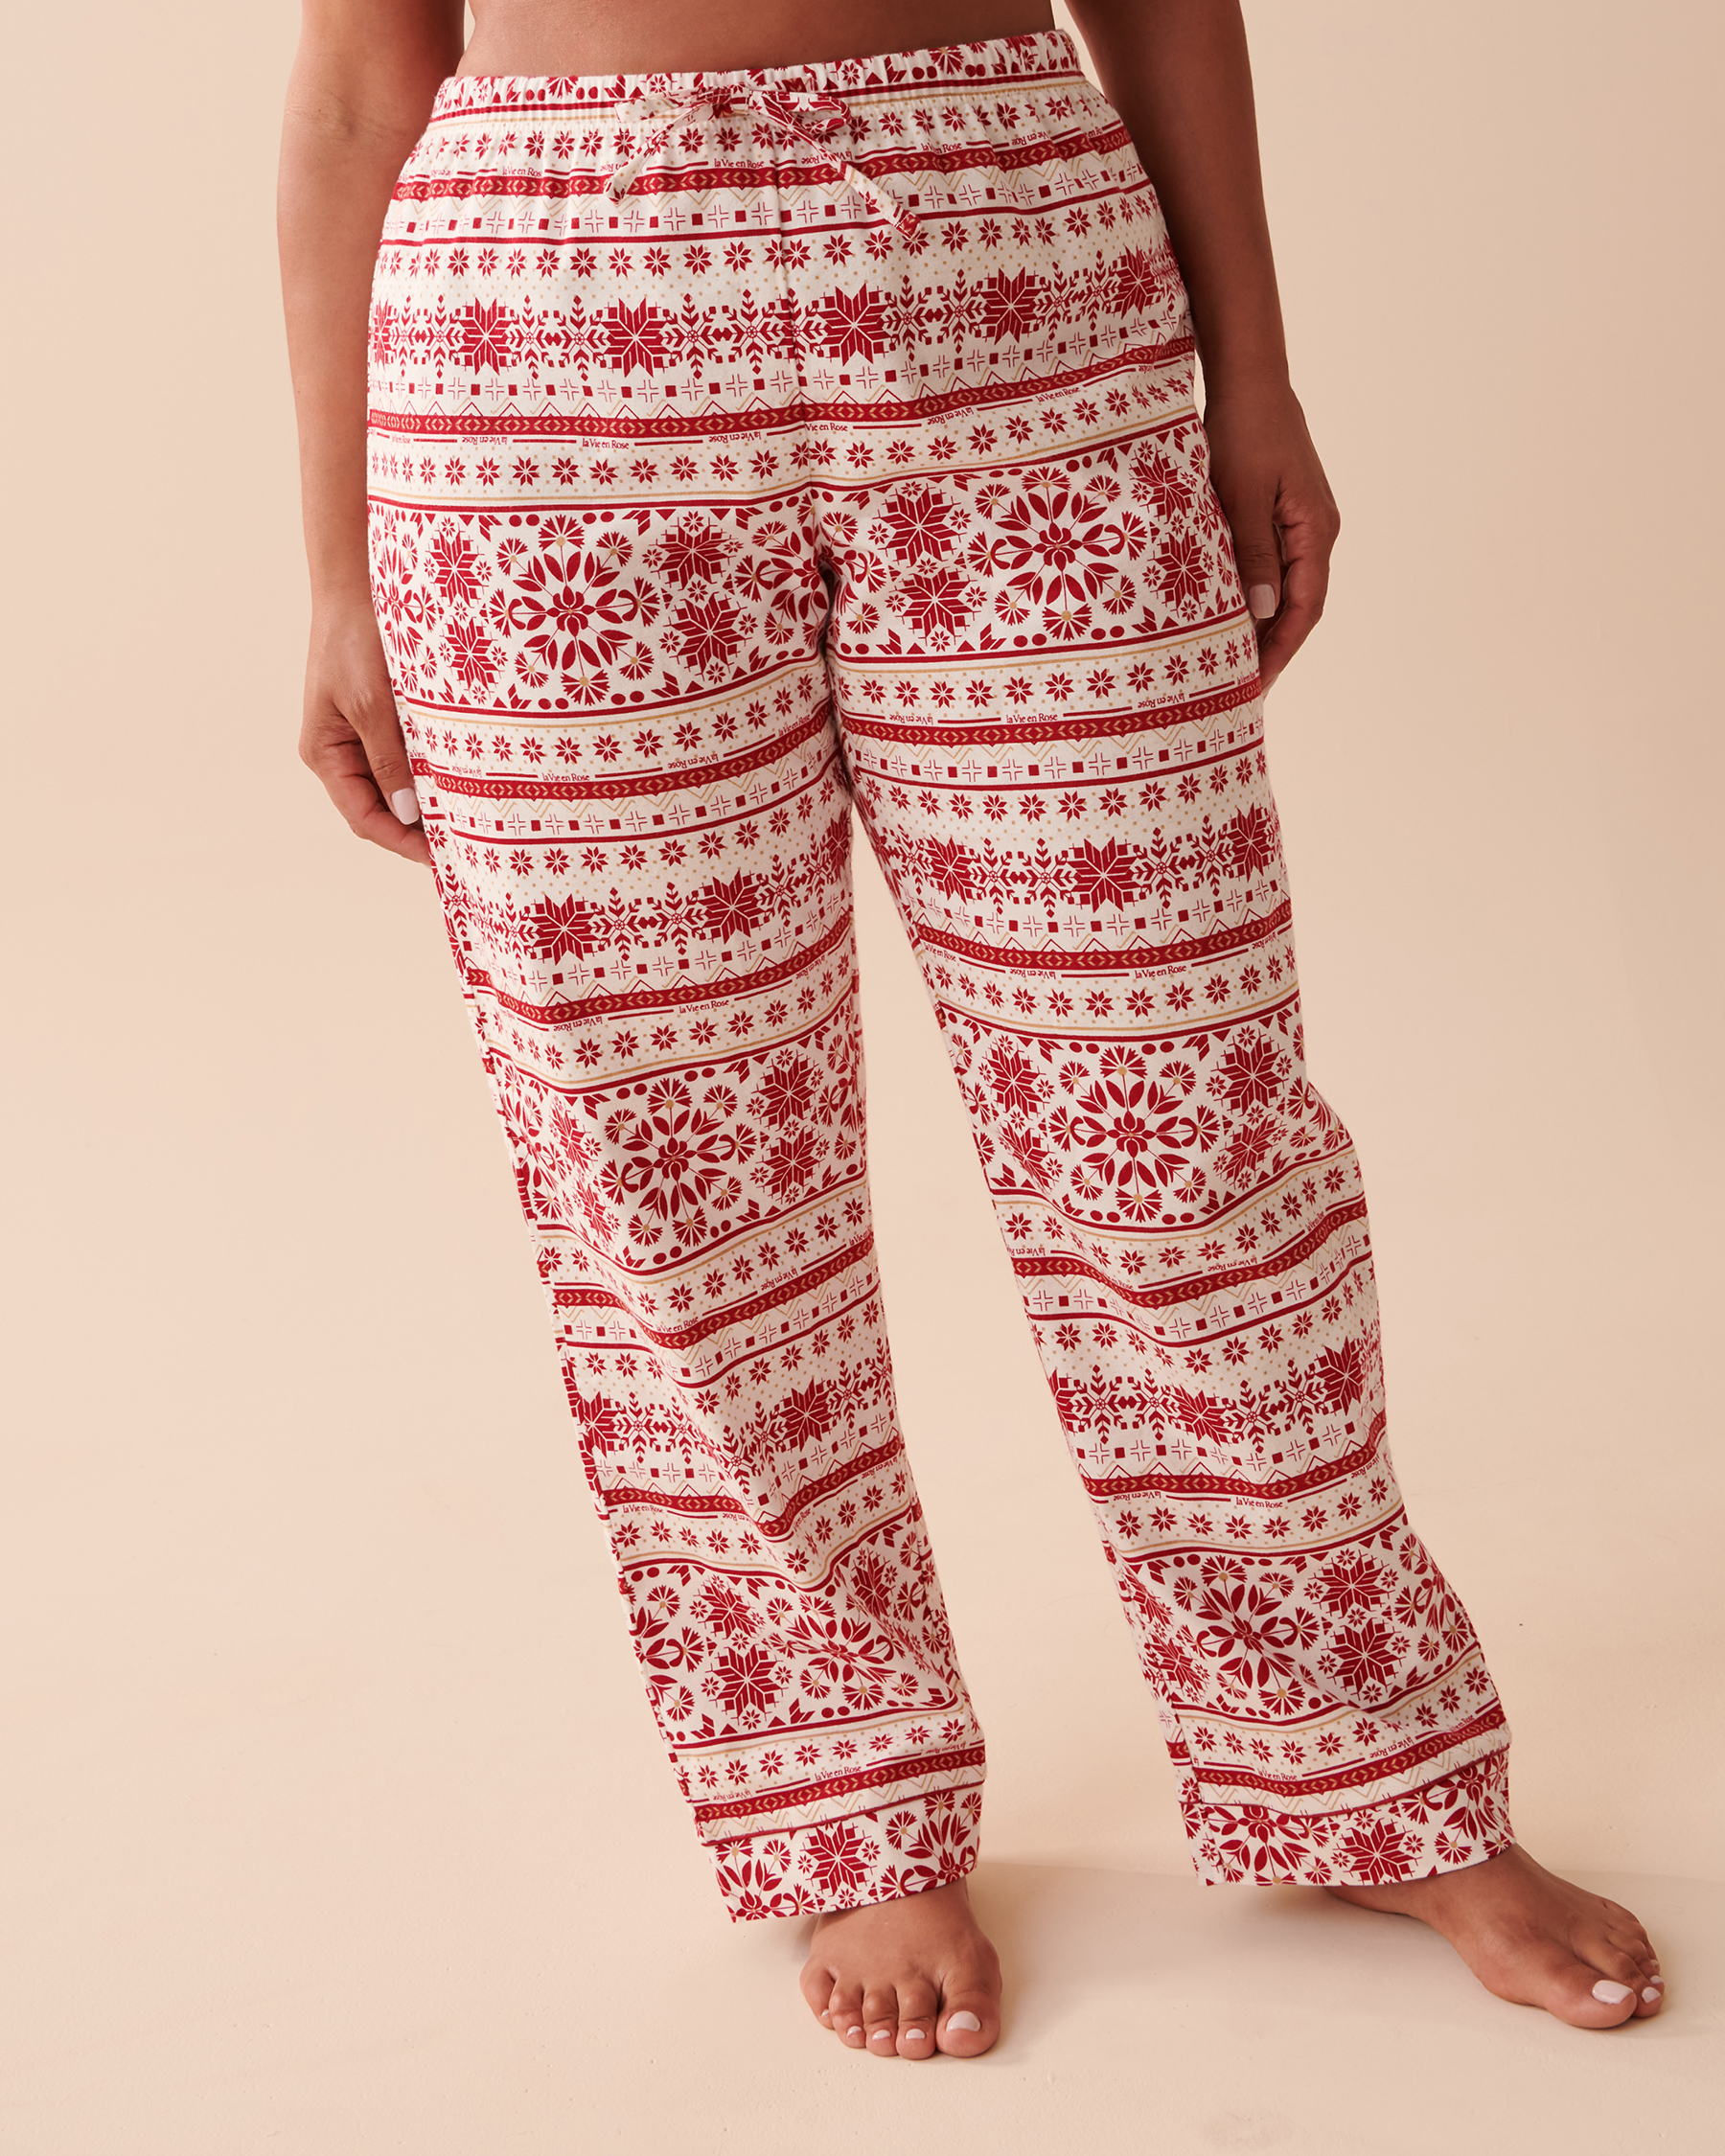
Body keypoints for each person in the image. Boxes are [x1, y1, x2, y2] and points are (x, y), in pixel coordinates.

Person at [278, 0, 1664, 2058]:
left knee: (1178, 1117)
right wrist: (336, 566)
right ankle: (844, 1800)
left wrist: (1253, 374)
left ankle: (1364, 1769)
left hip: (1017, 292)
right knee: (670, 1166)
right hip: (538, 355)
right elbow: (354, 81)